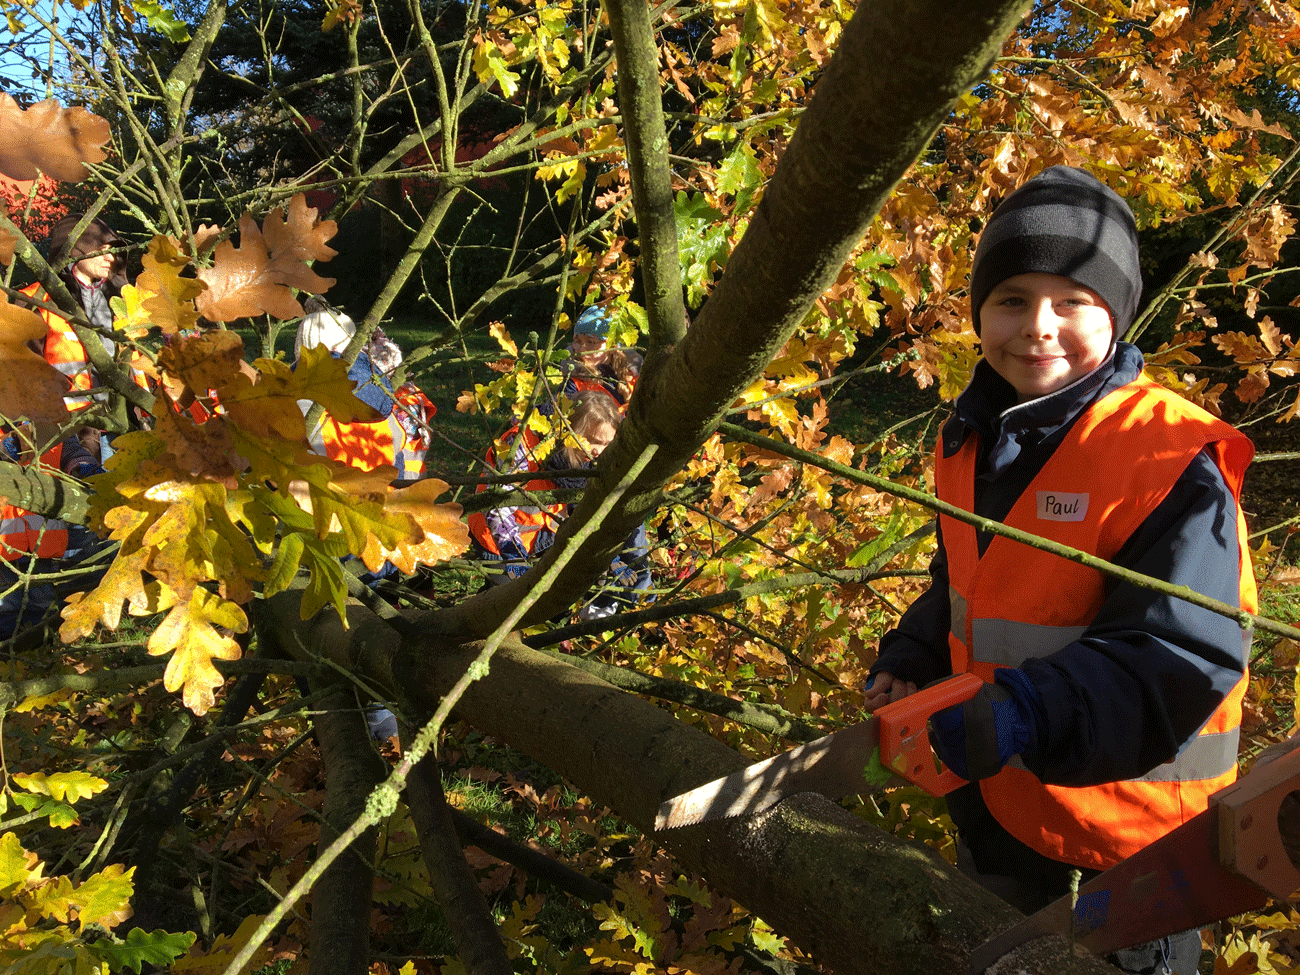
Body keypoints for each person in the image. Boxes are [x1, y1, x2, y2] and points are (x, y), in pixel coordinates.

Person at [861, 166, 1254, 975]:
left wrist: (1029, 711)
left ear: (1116, 313)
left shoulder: (1168, 459)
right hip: (1004, 808)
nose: (1038, 326)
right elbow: (969, 579)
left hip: (1132, 851)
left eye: (1073, 301)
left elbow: (1183, 654)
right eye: (1011, 300)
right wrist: (915, 653)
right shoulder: (971, 437)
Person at [468, 390, 651, 617]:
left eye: (606, 443)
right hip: (497, 540)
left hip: (541, 537)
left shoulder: (588, 457)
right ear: (569, 430)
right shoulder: (520, 447)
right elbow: (497, 509)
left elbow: (584, 510)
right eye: (593, 441)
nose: (598, 451)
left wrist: (609, 557)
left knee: (553, 604)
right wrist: (513, 557)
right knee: (507, 603)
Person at [19, 214, 151, 453]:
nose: (110, 257)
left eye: (113, 250)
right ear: (76, 250)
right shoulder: (36, 302)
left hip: (124, 428)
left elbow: (138, 367)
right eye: (101, 249)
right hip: (66, 437)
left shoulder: (123, 302)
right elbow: (20, 379)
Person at [0, 431, 110, 639]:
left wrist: (83, 467)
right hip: (4, 545)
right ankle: (9, 650)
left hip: (43, 543)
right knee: (6, 605)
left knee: (41, 603)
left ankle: (39, 645)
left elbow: (69, 452)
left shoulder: (46, 431)